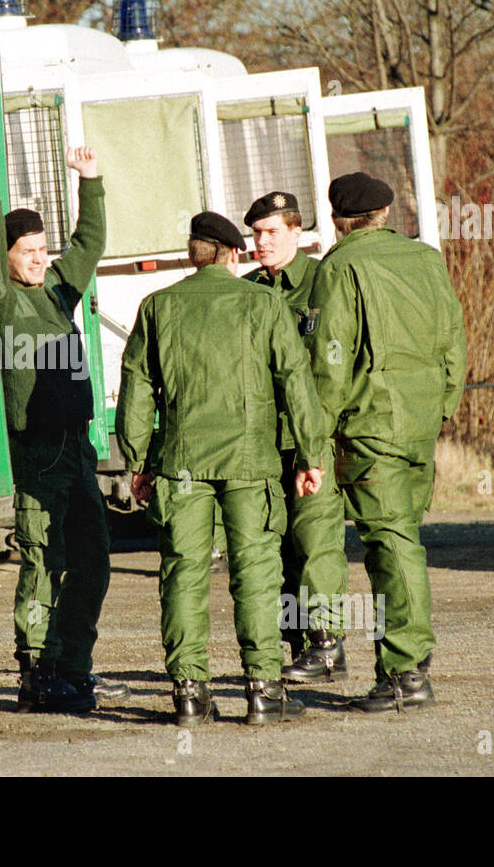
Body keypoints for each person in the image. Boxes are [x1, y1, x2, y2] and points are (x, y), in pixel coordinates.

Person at [117, 210, 328, 726]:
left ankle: (190, 694)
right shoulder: (263, 304)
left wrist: (137, 460)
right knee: (255, 573)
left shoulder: (157, 307)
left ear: (194, 254)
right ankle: (263, 690)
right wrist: (310, 455)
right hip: (250, 463)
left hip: (180, 465)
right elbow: (295, 381)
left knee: (183, 574)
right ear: (233, 254)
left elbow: (137, 387)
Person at [305, 171, 467, 712]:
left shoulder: (340, 266)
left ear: (337, 220)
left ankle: (405, 675)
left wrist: (314, 438)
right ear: (384, 213)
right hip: (420, 424)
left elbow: (331, 360)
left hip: (373, 427)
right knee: (403, 540)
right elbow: (454, 342)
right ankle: (404, 667)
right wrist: (441, 407)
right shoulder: (426, 259)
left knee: (392, 545)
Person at [0, 148, 127, 713]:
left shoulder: (60, 291)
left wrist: (91, 180)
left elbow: (89, 243)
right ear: (11, 256)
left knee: (93, 559)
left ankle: (74, 666)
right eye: (29, 252)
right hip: (37, 451)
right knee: (44, 560)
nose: (40, 260)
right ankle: (38, 670)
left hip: (80, 449)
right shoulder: (3, 300)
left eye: (45, 250)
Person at [242, 192, 350, 683]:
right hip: (260, 444)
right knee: (277, 547)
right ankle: (297, 645)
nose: (261, 242)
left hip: (311, 440)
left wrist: (323, 437)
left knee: (316, 541)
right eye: (256, 233)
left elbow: (336, 366)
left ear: (297, 233)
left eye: (271, 232)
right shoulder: (244, 293)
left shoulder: (324, 283)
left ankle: (327, 645)